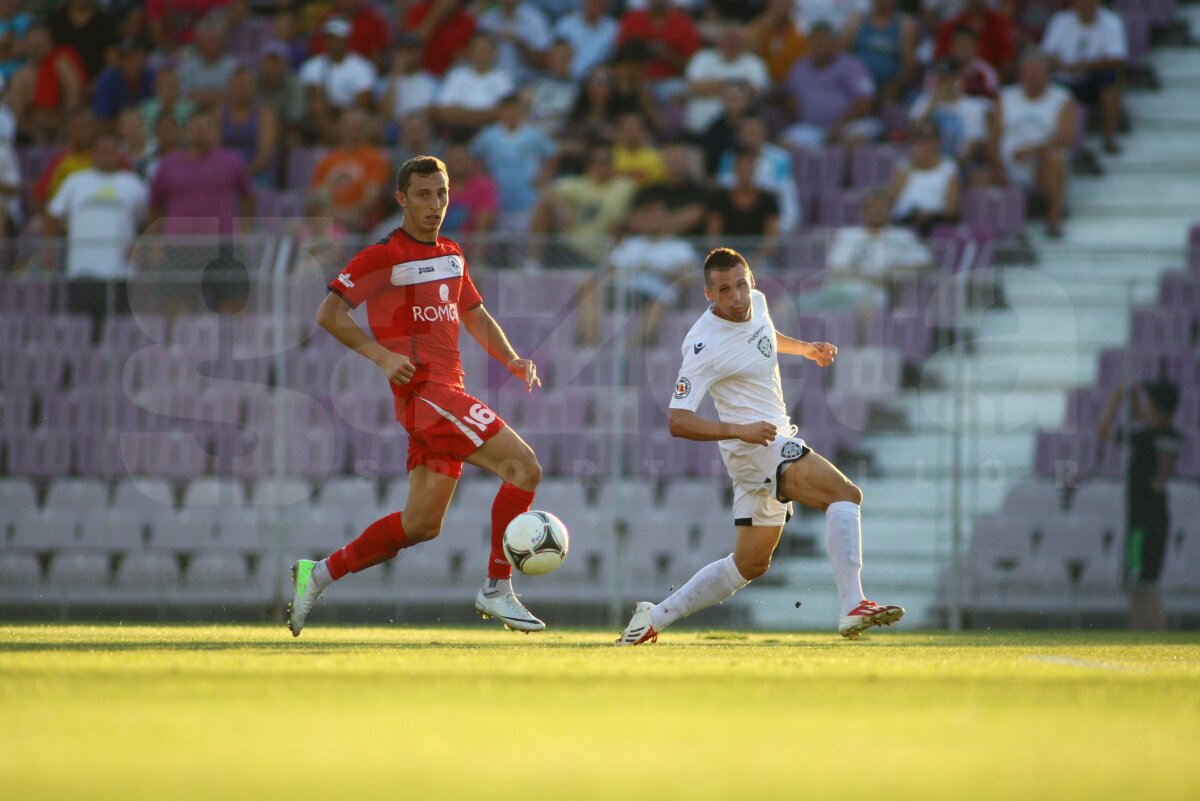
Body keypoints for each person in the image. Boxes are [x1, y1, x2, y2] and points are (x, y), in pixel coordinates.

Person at [288, 155, 548, 636]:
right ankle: (497, 586)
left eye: (442, 194)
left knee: (421, 526)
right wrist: (382, 357)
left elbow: (474, 314)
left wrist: (510, 358)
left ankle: (318, 574)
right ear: (402, 199)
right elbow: (329, 314)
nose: (435, 205)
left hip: (445, 394)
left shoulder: (451, 253)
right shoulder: (384, 256)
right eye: (424, 195)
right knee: (524, 467)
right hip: (427, 394)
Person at [617, 246, 904, 644]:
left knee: (750, 564)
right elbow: (678, 420)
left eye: (741, 285)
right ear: (708, 295)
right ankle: (852, 604)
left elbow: (765, 337)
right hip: (755, 446)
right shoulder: (702, 345)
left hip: (764, 443)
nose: (736, 297)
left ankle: (653, 618)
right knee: (844, 494)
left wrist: (804, 349)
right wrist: (740, 429)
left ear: (751, 280)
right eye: (724, 290)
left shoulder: (758, 302)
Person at [1097, 379, 1184, 631]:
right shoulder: (1172, 437)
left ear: (1155, 407)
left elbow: (1103, 431)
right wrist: (1135, 406)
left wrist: (1115, 401)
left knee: (1139, 585)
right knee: (1145, 583)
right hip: (1160, 517)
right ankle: (1142, 638)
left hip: (1140, 520)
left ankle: (1156, 633)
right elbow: (1146, 426)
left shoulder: (1144, 435)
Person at [46, 132, 147, 322]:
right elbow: (53, 215)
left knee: (118, 326)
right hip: (81, 269)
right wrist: (49, 248)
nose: (105, 155)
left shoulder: (133, 184)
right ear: (93, 153)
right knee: (81, 325)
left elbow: (145, 221)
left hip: (120, 272)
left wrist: (140, 244)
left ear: (119, 154)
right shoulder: (74, 182)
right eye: (100, 151)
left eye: (110, 151)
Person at [578, 198, 697, 348]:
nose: (653, 221)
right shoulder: (630, 244)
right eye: (649, 216)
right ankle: (591, 345)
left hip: (654, 295)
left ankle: (628, 348)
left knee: (660, 301)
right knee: (587, 283)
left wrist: (656, 270)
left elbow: (689, 278)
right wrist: (628, 271)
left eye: (658, 216)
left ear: (667, 219)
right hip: (624, 291)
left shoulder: (679, 247)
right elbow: (609, 270)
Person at [812, 187, 932, 336]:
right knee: (786, 307)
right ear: (863, 211)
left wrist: (893, 274)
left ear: (890, 211)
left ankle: (855, 358)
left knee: (864, 312)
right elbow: (834, 268)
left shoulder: (901, 237)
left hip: (871, 296)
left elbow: (926, 264)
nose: (877, 211)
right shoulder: (847, 235)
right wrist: (872, 277)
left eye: (882, 208)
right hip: (834, 292)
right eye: (872, 207)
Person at [989, 52, 1075, 238]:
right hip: (1008, 163)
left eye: (1038, 72)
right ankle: (992, 231)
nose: (1033, 76)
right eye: (1029, 72)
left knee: (1055, 158)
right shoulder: (1006, 97)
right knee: (977, 178)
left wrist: (1033, 150)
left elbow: (1065, 138)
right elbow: (993, 137)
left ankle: (1053, 217)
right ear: (1022, 74)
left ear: (1048, 75)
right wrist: (997, 167)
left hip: (1040, 165)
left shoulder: (1062, 99)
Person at [1040, 0, 1127, 155]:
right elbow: (1046, 55)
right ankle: (1052, 140)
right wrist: (1061, 65)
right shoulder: (1060, 21)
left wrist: (1082, 66)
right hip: (1063, 79)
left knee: (1110, 79)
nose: (1086, 6)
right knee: (1040, 75)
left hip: (1092, 79)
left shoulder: (1111, 22)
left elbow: (1118, 59)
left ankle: (1110, 136)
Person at [781, 21, 879, 152]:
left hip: (849, 125)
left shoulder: (852, 65)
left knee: (857, 141)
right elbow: (789, 94)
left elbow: (865, 101)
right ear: (809, 44)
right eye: (817, 42)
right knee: (784, 144)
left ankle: (848, 173)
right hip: (811, 127)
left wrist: (840, 124)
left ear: (835, 43)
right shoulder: (800, 66)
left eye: (825, 42)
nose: (821, 46)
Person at [470, 94, 557, 232]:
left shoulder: (533, 133)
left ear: (521, 111)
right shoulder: (489, 135)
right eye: (507, 109)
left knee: (525, 243)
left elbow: (553, 154)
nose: (511, 113)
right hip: (498, 197)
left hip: (528, 196)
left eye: (515, 109)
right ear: (500, 112)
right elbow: (473, 155)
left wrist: (544, 175)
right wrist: (483, 177)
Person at [307, 108, 389, 233]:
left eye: (358, 125)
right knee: (291, 229)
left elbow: (371, 198)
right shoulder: (327, 160)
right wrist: (333, 213)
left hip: (358, 218)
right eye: (349, 124)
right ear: (340, 127)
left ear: (365, 128)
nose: (353, 129)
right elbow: (316, 197)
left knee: (334, 232)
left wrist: (346, 213)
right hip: (328, 217)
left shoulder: (375, 158)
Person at [682, 23, 769, 136]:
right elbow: (693, 87)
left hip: (737, 131)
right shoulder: (702, 57)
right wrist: (736, 87)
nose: (731, 44)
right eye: (727, 40)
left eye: (736, 41)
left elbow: (754, 91)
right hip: (699, 128)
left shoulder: (754, 63)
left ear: (744, 43)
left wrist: (712, 86)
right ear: (718, 42)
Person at [887, 120, 960, 236]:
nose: (923, 143)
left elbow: (952, 209)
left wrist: (930, 215)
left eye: (928, 137)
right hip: (904, 220)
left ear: (938, 141)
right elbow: (891, 197)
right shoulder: (904, 165)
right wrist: (912, 166)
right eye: (918, 138)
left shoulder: (948, 167)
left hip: (934, 221)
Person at [433, 33, 514, 137]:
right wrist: (484, 115)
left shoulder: (503, 78)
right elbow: (444, 110)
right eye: (478, 49)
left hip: (491, 133)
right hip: (457, 133)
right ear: (470, 52)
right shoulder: (457, 75)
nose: (481, 53)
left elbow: (502, 112)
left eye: (485, 49)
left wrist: (461, 113)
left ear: (494, 52)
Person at [843, 0, 917, 107]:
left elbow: (909, 67)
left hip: (887, 87)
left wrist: (894, 88)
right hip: (857, 84)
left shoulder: (905, 25)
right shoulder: (857, 20)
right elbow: (843, 56)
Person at [554, 0, 618, 81]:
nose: (595, 4)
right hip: (561, 79)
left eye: (600, 2)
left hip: (591, 85)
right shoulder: (566, 23)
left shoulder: (613, 30)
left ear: (607, 3)